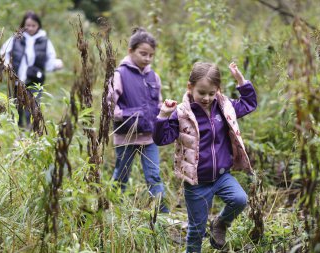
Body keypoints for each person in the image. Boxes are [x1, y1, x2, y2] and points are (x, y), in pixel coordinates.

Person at [152, 62, 257, 252]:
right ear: (190, 87)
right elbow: (161, 139)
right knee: (196, 231)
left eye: (211, 93)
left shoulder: (225, 107)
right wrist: (163, 116)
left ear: (218, 89)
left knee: (240, 199)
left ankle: (220, 224)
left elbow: (249, 104)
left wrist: (241, 81)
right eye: (202, 92)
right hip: (196, 182)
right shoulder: (182, 114)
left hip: (222, 176)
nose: (207, 98)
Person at [107, 27, 169, 213]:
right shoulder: (120, 74)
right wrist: (127, 116)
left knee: (154, 175)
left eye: (151, 55)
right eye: (143, 53)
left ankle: (162, 213)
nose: (147, 58)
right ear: (131, 51)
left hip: (149, 137)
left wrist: (164, 115)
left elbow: (157, 103)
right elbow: (109, 104)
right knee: (121, 175)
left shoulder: (153, 77)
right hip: (126, 135)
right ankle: (112, 208)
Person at [0, 11, 63, 128]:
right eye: (27, 25)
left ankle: (29, 131)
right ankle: (18, 133)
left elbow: (50, 59)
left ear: (38, 25)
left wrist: (56, 64)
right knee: (17, 107)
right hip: (17, 80)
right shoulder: (15, 38)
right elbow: (4, 52)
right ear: (23, 25)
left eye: (33, 25)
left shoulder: (44, 41)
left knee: (31, 107)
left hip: (35, 80)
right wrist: (6, 65)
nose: (30, 28)